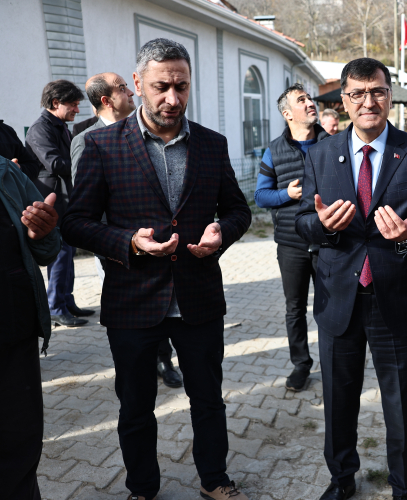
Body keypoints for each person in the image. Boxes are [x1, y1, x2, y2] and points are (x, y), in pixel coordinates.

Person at [61, 38, 252, 500]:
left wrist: (221, 233)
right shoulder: (101, 145)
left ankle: (214, 480)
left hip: (198, 298)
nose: (172, 98)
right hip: (132, 300)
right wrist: (128, 241)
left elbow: (238, 210)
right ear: (137, 83)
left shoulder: (212, 144)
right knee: (135, 407)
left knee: (208, 400)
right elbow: (76, 223)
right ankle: (143, 488)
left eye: (181, 87)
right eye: (161, 87)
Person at [295, 57, 407, 500]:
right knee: (338, 400)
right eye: (358, 93)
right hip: (338, 297)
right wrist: (323, 225)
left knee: (402, 402)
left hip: (396, 298)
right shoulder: (321, 153)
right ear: (344, 100)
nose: (369, 102)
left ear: (390, 96)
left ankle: (404, 486)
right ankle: (342, 478)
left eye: (378, 92)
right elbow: (302, 221)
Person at [71, 72, 183, 389]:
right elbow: (86, 205)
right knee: (134, 317)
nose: (131, 94)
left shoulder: (149, 131)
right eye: (123, 88)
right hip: (119, 249)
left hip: (161, 243)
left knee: (166, 302)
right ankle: (138, 368)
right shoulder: (88, 139)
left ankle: (164, 360)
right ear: (106, 100)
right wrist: (122, 243)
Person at [255, 83, 328, 390]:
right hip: (291, 245)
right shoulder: (273, 150)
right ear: (287, 114)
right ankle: (301, 365)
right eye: (302, 100)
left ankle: (334, 362)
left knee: (331, 307)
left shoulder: (333, 144)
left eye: (310, 98)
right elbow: (260, 196)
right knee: (295, 308)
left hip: (328, 242)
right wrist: (287, 194)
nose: (310, 103)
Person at [0, 155, 61, 499]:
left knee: (19, 446)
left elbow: (47, 250)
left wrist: (42, 232)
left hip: (13, 329)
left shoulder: (6, 173)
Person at [25, 79, 93, 327]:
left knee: (69, 251)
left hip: (65, 196)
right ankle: (55, 307)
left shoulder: (61, 126)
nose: (77, 109)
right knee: (60, 253)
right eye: (73, 104)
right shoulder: (40, 129)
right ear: (56, 103)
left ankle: (66, 301)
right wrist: (88, 161)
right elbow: (54, 163)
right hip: (52, 198)